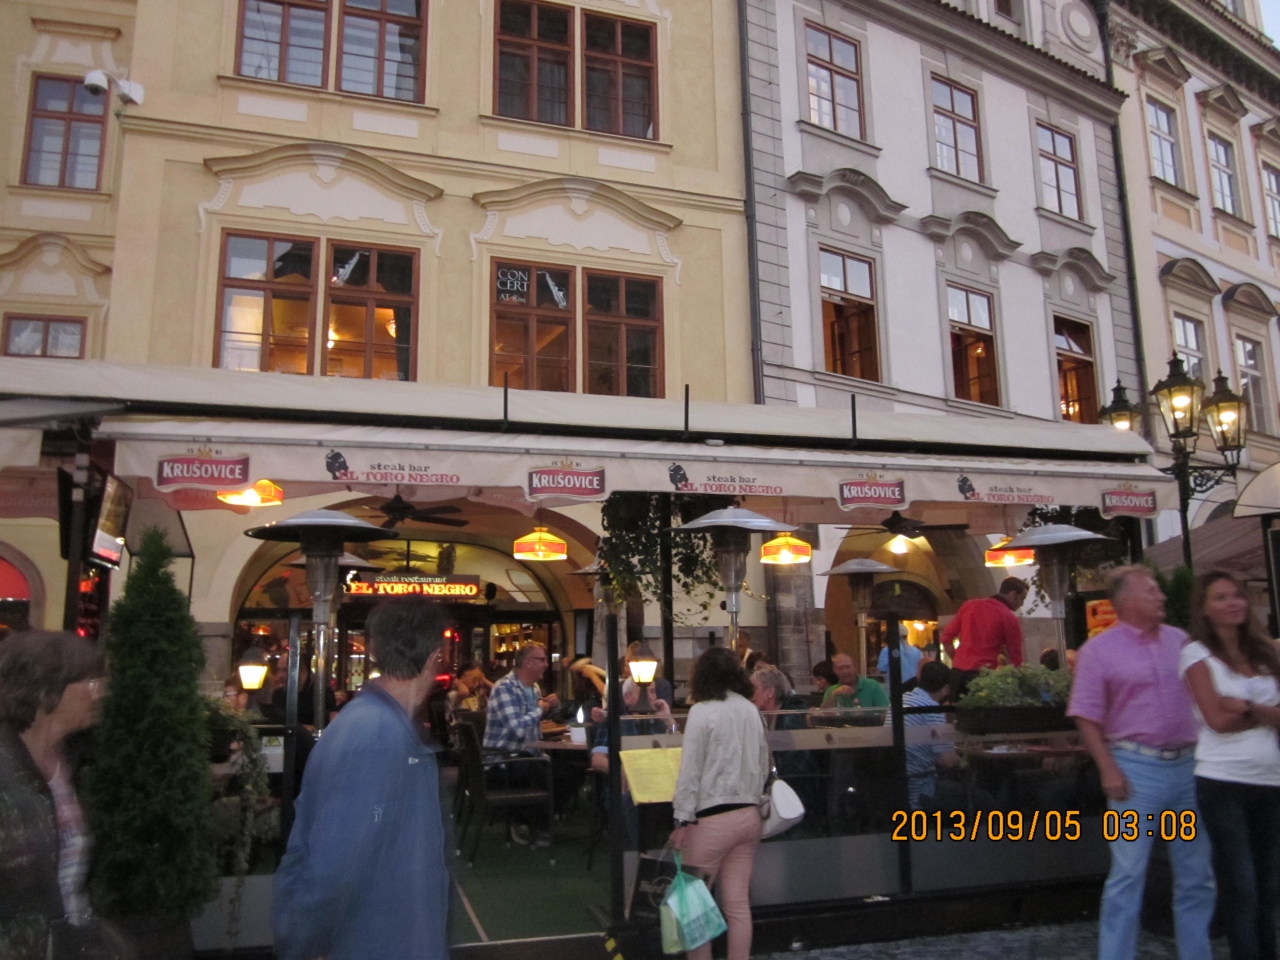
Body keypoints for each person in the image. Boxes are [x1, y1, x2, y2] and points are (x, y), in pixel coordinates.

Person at [273, 597, 450, 960]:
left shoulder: (372, 724)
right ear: (436, 657)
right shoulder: (376, 734)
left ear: (372, 650)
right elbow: (334, 867)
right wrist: (302, 944)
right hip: (373, 943)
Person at [1067, 566, 1214, 960]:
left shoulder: (1180, 641)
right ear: (1126, 601)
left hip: (1186, 769)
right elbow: (1086, 715)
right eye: (1151, 591)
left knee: (1196, 873)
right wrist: (1108, 769)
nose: (1161, 596)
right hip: (1135, 770)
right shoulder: (1098, 651)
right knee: (1129, 873)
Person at [1180, 572, 1280, 960]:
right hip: (1224, 781)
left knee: (1270, 887)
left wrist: (1248, 707)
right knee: (1242, 886)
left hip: (1271, 778)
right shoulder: (1196, 655)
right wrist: (1267, 713)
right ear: (1205, 608)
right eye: (1221, 597)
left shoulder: (1265, 652)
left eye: (1237, 595)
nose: (1233, 602)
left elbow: (1237, 713)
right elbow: (1217, 721)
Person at [0, 631, 105, 960]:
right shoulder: (5, 771)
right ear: (47, 689)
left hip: (67, 944)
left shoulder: (75, 759)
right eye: (89, 683)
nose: (99, 693)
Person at [670, 648, 768, 960]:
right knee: (737, 905)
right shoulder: (751, 710)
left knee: (694, 906)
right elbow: (763, 764)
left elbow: (691, 770)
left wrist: (681, 819)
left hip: (711, 818)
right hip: (749, 815)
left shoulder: (702, 711)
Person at [883, 660, 961, 810]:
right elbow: (948, 761)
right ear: (946, 689)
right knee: (982, 798)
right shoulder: (932, 709)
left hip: (896, 789)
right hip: (921, 791)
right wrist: (965, 760)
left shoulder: (900, 702)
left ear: (919, 679)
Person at [941, 576, 1028, 698]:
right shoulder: (1009, 618)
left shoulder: (969, 606)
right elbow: (1016, 659)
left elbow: (945, 639)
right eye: (1022, 598)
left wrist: (957, 660)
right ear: (1014, 594)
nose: (1022, 603)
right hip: (982, 676)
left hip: (957, 674)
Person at [483, 643, 558, 752]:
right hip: (506, 757)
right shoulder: (505, 687)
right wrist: (540, 709)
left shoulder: (534, 687)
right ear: (528, 662)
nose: (546, 665)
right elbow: (517, 729)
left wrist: (553, 706)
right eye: (542, 660)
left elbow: (537, 721)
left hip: (531, 755)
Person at [821, 652, 889, 710]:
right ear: (834, 670)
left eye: (848, 667)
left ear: (855, 667)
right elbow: (824, 715)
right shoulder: (831, 691)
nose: (845, 671)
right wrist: (834, 694)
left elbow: (886, 711)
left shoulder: (872, 686)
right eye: (840, 668)